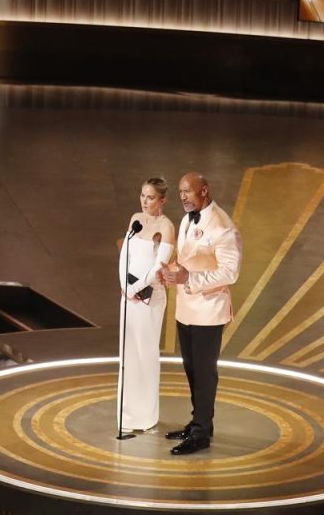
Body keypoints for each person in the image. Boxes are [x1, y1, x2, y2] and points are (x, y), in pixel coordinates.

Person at [158, 173, 242, 456]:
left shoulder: (223, 227)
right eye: (180, 191)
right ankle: (199, 422)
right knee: (192, 369)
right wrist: (170, 269)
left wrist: (188, 278)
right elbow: (186, 261)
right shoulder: (186, 219)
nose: (183, 197)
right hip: (186, 309)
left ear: (204, 191)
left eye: (188, 192)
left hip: (209, 312)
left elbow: (230, 272)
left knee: (205, 373)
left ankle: (201, 433)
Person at [116, 177, 177, 435]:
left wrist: (134, 288)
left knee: (146, 353)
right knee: (128, 353)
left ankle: (146, 415)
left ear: (162, 200)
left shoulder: (166, 226)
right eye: (142, 195)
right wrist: (123, 285)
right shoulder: (134, 219)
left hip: (149, 297)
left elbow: (158, 268)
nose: (144, 201)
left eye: (150, 197)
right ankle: (128, 413)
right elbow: (124, 256)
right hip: (127, 296)